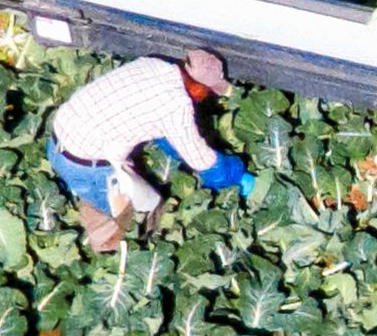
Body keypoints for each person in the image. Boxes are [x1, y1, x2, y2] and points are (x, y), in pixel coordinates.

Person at [48, 47, 245, 252]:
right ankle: (115, 255)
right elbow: (202, 161)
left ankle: (93, 204)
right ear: (197, 87)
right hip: (85, 164)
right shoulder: (176, 105)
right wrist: (236, 173)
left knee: (99, 194)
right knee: (140, 214)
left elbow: (159, 127)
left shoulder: (152, 63)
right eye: (207, 91)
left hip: (59, 137)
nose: (205, 97)